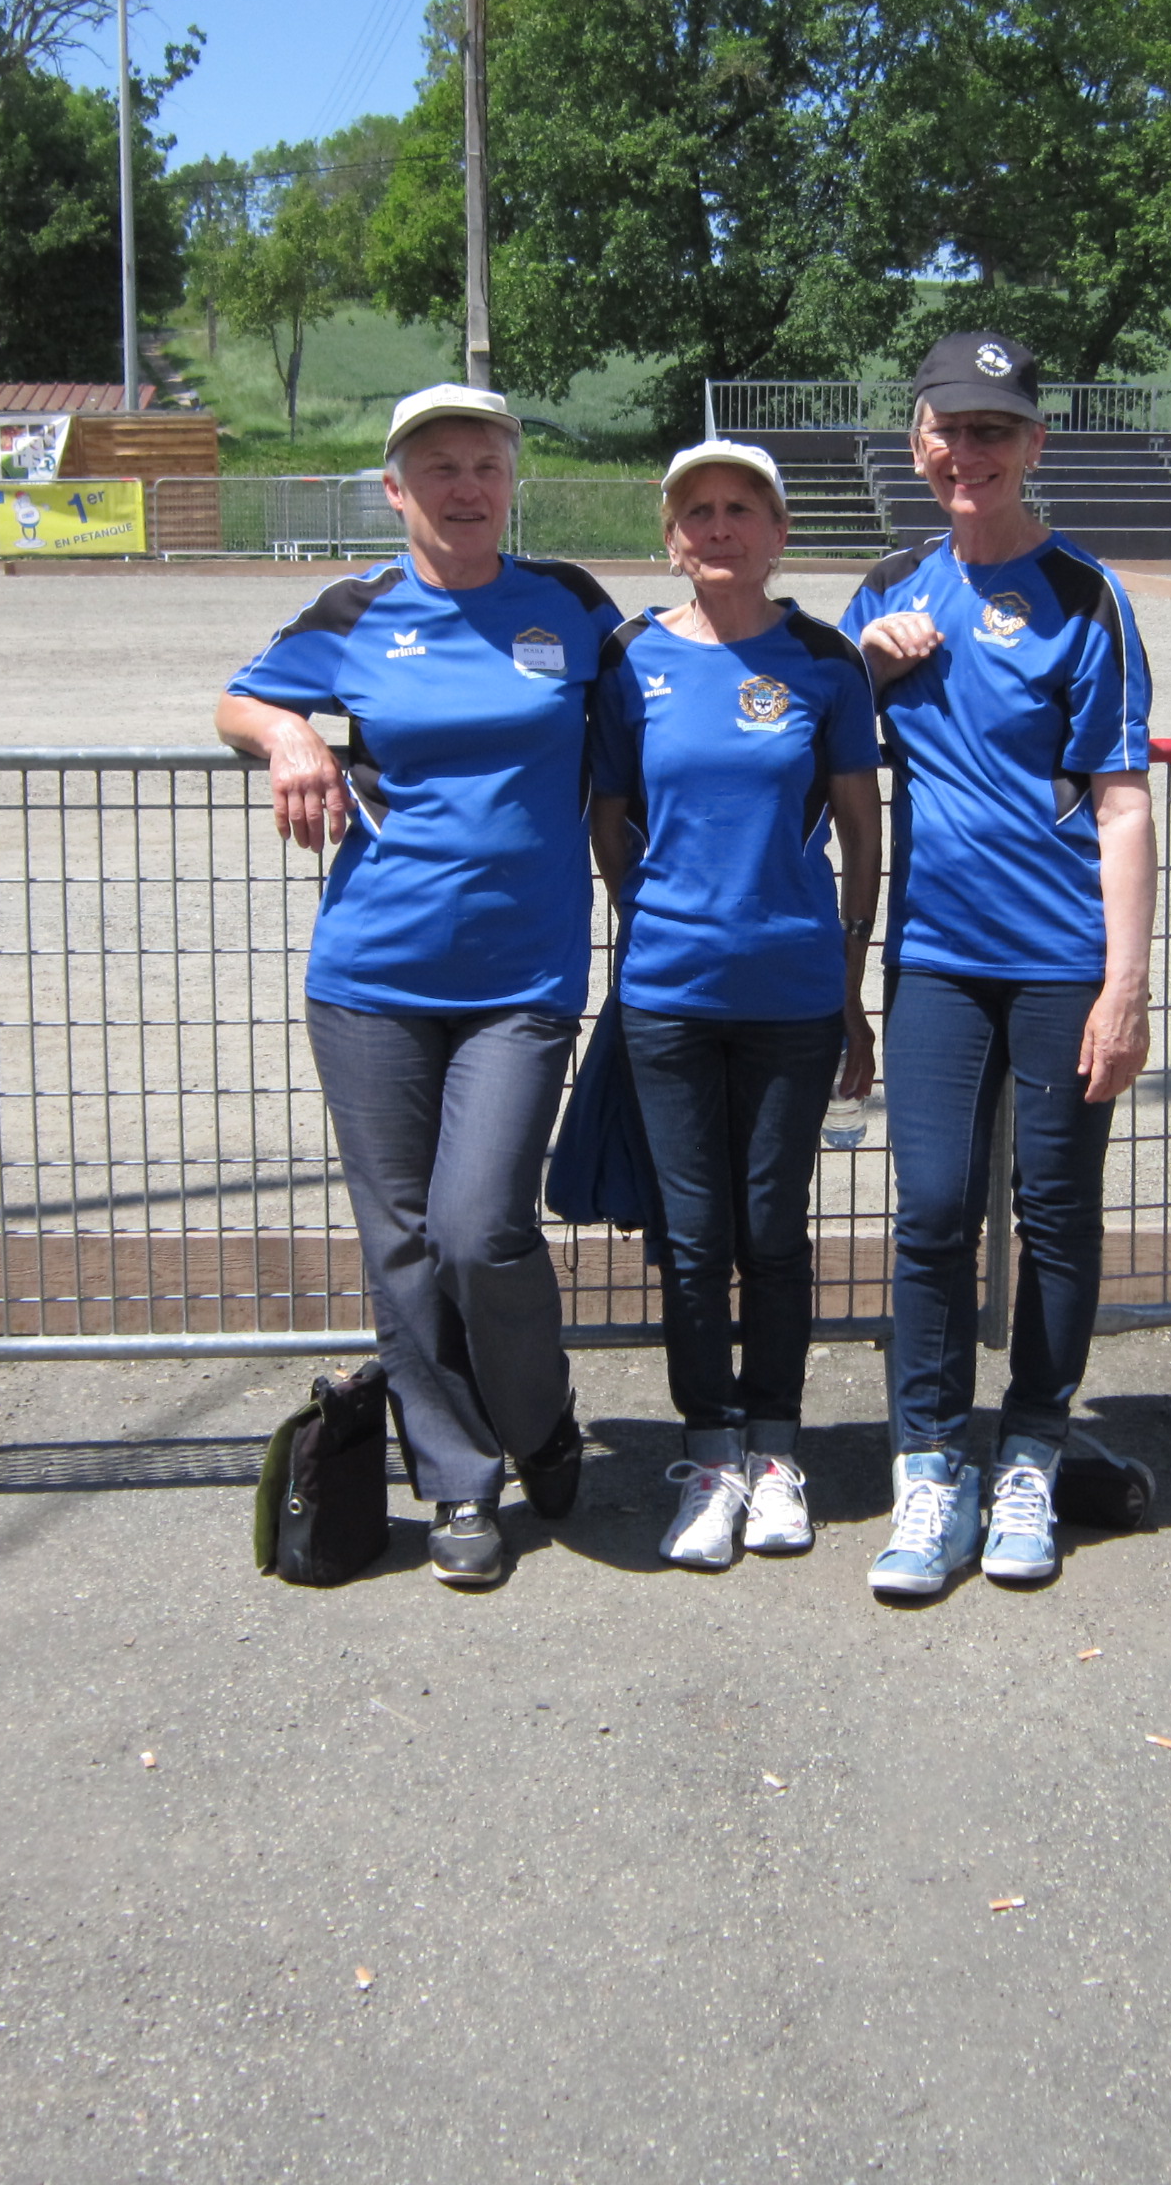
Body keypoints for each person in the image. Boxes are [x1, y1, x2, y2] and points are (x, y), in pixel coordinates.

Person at [216, 383, 622, 1589]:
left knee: (480, 1225)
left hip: (523, 979)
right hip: (371, 977)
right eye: (436, 467)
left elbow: (682, 684)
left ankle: (538, 1413)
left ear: (510, 481)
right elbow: (240, 693)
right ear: (394, 490)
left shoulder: (573, 608)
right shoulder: (356, 610)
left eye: (484, 464)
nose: (464, 485)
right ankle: (457, 1483)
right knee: (400, 1243)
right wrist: (290, 737)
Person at [841, 331, 1157, 1598]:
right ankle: (929, 1467)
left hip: (1059, 962)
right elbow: (809, 752)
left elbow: (1123, 803)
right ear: (917, 442)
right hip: (933, 954)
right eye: (947, 429)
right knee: (929, 1211)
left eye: (993, 431)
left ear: (1036, 445)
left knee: (1056, 1211)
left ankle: (1029, 1448)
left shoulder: (1087, 598)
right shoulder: (883, 592)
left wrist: (1125, 987)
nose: (967, 453)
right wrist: (860, 670)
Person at [587, 441, 881, 1570]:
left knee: (771, 1232)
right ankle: (708, 1457)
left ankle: (775, 1454)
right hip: (668, 996)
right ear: (671, 536)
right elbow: (609, 813)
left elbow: (861, 830)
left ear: (777, 532)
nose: (718, 529)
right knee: (696, 1239)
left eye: (740, 511)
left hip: (794, 994)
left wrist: (851, 983)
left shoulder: (823, 662)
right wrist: (649, 911)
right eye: (697, 512)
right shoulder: (631, 661)